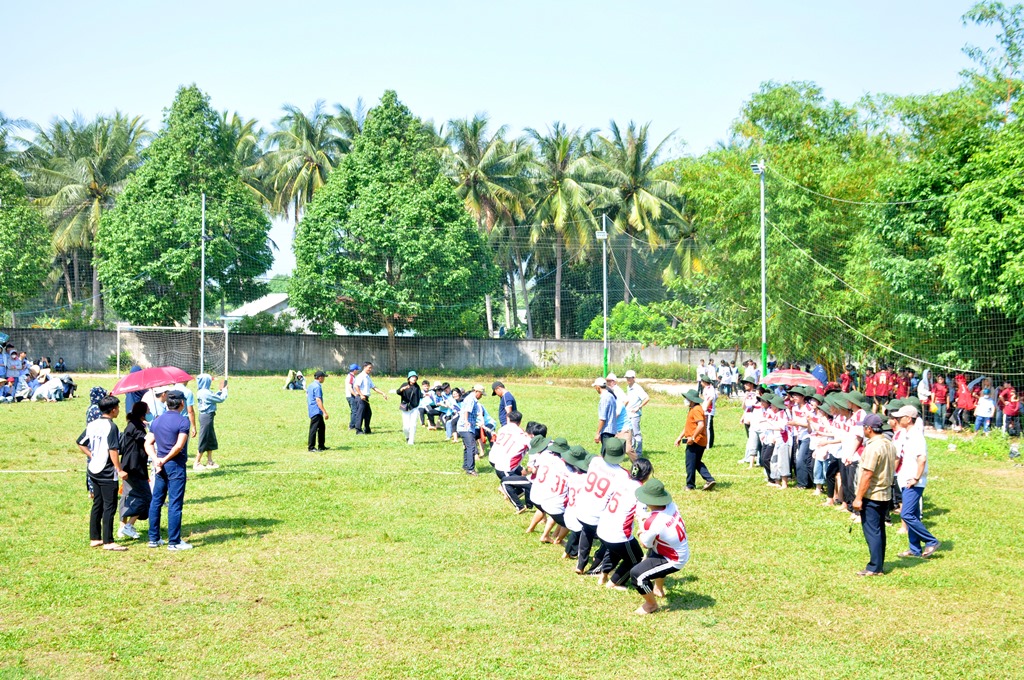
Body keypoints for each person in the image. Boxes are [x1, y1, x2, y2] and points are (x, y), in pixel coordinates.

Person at [629, 479, 689, 615]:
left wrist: (641, 527)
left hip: (673, 559)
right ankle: (658, 589)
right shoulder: (671, 506)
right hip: (677, 549)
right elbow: (658, 520)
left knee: (637, 575)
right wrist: (645, 518)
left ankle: (651, 605)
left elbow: (645, 544)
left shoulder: (654, 522)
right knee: (655, 555)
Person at [76, 394, 127, 551]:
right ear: (113, 410)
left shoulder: (93, 424)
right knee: (109, 506)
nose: (119, 410)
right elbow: (113, 449)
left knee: (97, 503)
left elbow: (80, 442)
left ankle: (95, 538)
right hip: (107, 471)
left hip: (93, 469)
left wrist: (92, 455)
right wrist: (119, 469)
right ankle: (108, 541)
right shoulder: (111, 427)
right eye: (118, 407)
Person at [573, 438, 629, 576]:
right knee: (608, 541)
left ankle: (580, 565)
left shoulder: (595, 461)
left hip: (581, 509)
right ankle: (595, 567)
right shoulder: (622, 474)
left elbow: (598, 458)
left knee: (586, 532)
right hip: (599, 516)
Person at [595, 458, 652, 590]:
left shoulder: (623, 481)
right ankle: (614, 582)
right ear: (647, 475)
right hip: (618, 535)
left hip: (602, 529)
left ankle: (603, 576)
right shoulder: (640, 491)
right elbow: (640, 515)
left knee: (614, 551)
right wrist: (644, 532)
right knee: (636, 558)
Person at [892, 405, 941, 559]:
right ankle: (915, 549)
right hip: (905, 479)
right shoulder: (906, 434)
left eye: (900, 417)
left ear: (909, 419)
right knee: (912, 514)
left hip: (913, 481)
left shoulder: (916, 436)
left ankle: (931, 541)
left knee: (906, 514)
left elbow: (922, 459)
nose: (897, 419)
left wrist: (916, 478)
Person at [146, 391, 193, 550]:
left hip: (159, 466)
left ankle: (154, 539)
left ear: (167, 403)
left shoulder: (157, 421)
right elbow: (179, 446)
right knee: (175, 503)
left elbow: (148, 443)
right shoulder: (183, 421)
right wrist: (164, 459)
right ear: (182, 404)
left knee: (156, 501)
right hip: (175, 466)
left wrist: (156, 460)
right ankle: (174, 542)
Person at [852, 413, 898, 576]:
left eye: (864, 427)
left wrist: (858, 498)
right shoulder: (889, 443)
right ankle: (878, 564)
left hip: (872, 495)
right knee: (879, 530)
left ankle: (874, 567)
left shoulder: (873, 447)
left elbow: (867, 474)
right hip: (885, 493)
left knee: (872, 531)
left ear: (869, 429)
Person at [118, 401, 152, 540]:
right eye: (147, 408)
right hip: (135, 467)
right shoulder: (136, 426)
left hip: (128, 465)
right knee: (145, 497)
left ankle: (122, 527)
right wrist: (155, 429)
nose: (149, 410)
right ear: (143, 411)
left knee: (126, 496)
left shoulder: (132, 424)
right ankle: (128, 526)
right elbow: (146, 440)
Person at [489, 411, 533, 513]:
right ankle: (518, 503)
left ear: (508, 419)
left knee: (523, 474)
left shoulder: (502, 429)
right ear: (520, 421)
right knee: (521, 484)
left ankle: (510, 492)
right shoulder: (522, 436)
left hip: (495, 458)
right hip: (505, 466)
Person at [675, 388, 715, 491]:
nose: (686, 400)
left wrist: (693, 437)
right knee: (696, 462)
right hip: (698, 440)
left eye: (687, 398)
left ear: (692, 400)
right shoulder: (692, 409)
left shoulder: (696, 409)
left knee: (690, 463)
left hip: (696, 441)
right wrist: (680, 437)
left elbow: (701, 425)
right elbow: (688, 426)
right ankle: (709, 479)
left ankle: (690, 485)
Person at [195, 373, 228, 469]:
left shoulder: (202, 391)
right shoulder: (205, 392)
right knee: (204, 438)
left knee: (209, 438)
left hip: (206, 416)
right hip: (207, 417)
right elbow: (220, 399)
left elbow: (213, 397)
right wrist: (225, 390)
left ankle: (210, 461)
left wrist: (220, 391)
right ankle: (197, 462)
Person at [353, 362, 388, 435]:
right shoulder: (361, 376)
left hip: (366, 398)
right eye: (369, 368)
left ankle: (367, 429)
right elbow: (356, 386)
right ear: (364, 367)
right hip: (360, 398)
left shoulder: (367, 377)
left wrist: (383, 393)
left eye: (371, 368)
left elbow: (373, 387)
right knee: (360, 414)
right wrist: (361, 394)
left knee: (368, 413)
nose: (370, 369)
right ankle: (358, 430)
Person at [457, 384, 484, 475]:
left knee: (467, 447)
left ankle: (466, 466)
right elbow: (466, 411)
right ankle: (470, 469)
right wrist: (466, 421)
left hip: (467, 427)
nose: (481, 396)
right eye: (481, 394)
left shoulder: (472, 399)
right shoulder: (471, 399)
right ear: (476, 391)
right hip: (465, 427)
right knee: (471, 447)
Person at [605, 374, 634, 460]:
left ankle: (639, 464)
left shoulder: (617, 395)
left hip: (624, 428)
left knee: (628, 449)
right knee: (611, 449)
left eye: (609, 381)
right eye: (607, 381)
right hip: (615, 428)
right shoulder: (610, 400)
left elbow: (625, 401)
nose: (607, 382)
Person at [624, 370, 650, 457]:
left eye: (629, 378)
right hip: (628, 414)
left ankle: (638, 453)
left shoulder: (637, 388)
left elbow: (647, 398)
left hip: (635, 415)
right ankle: (632, 451)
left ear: (634, 378)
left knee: (636, 433)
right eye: (627, 378)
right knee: (630, 434)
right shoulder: (628, 387)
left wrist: (638, 407)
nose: (628, 379)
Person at [397, 371, 423, 445]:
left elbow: (419, 395)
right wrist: (403, 389)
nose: (414, 378)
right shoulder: (404, 385)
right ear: (409, 378)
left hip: (414, 408)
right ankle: (407, 437)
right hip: (405, 407)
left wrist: (425, 395)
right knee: (406, 427)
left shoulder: (417, 387)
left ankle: (411, 441)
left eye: (415, 377)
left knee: (413, 425)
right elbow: (398, 392)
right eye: (412, 377)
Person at [307, 370, 329, 452]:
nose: (324, 379)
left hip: (312, 409)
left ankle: (321, 446)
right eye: (323, 377)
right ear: (320, 378)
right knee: (314, 429)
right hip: (316, 410)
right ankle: (311, 447)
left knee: (322, 427)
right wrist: (324, 412)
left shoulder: (310, 385)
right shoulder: (317, 387)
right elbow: (318, 400)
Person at [592, 377, 619, 446]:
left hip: (606, 431)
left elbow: (603, 418)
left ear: (598, 387)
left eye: (595, 387)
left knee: (606, 451)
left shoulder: (604, 398)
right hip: (612, 429)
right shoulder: (611, 396)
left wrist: (598, 433)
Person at [700, 375, 718, 448]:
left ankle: (708, 444)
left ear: (705, 382)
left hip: (709, 411)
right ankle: (709, 443)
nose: (701, 383)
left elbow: (711, 398)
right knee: (708, 427)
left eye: (702, 381)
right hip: (706, 410)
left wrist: (706, 407)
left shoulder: (710, 389)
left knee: (708, 428)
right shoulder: (706, 388)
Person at [344, 363, 360, 430]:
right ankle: (352, 426)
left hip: (350, 396)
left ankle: (354, 424)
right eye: (357, 370)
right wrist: (355, 395)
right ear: (354, 370)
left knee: (354, 411)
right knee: (355, 411)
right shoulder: (351, 377)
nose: (358, 371)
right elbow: (350, 387)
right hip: (351, 396)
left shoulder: (351, 376)